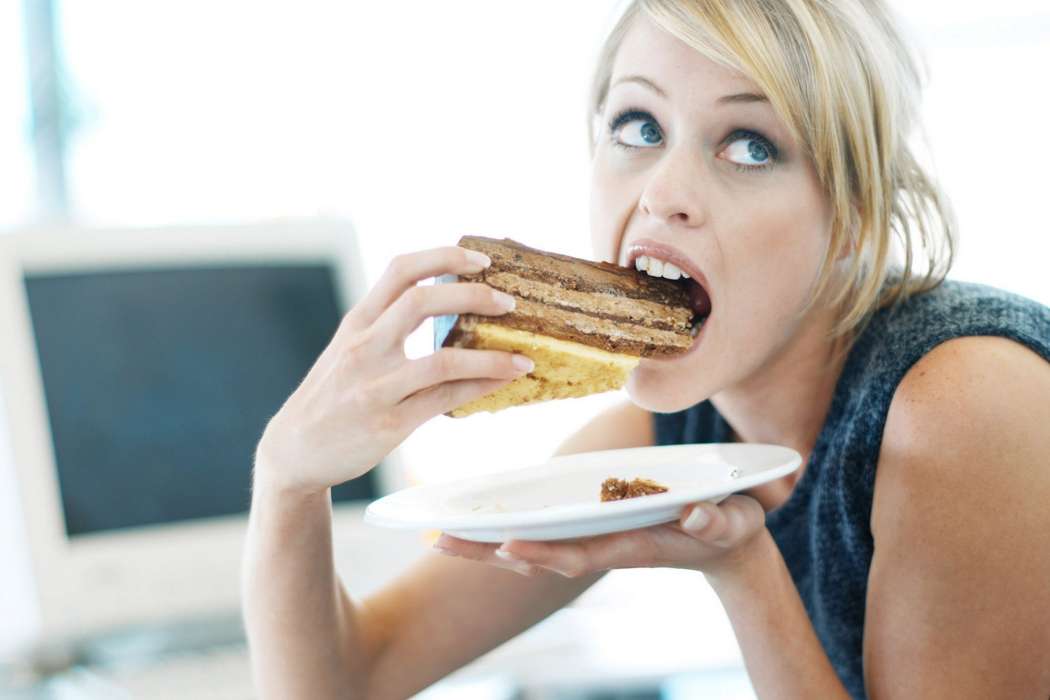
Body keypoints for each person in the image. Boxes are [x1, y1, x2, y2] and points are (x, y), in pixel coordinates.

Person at [241, 1, 1050, 698]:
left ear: (855, 217)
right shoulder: (682, 429)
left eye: (750, 145)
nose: (662, 194)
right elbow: (346, 680)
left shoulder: (964, 399)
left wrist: (743, 569)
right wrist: (287, 476)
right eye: (640, 126)